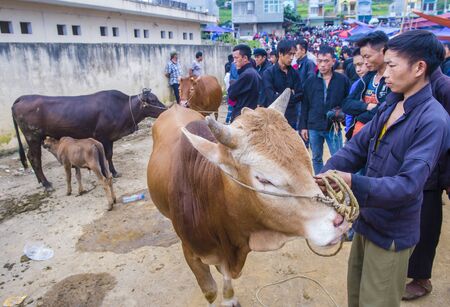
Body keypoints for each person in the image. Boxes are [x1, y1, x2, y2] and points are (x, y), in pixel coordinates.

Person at [316, 30, 450, 307]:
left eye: (391, 65)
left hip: (392, 232)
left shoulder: (433, 119)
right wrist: (325, 174)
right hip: (367, 221)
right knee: (356, 297)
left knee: (376, 302)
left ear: (418, 68)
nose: (383, 73)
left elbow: (408, 185)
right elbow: (357, 148)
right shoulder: (392, 103)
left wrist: (351, 182)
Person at [403, 59, 450, 300]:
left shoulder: (443, 88)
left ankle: (422, 278)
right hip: (424, 170)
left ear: (420, 65)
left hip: (434, 173)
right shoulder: (419, 88)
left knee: (427, 226)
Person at [299, 46, 350, 175]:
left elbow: (348, 100)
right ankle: (320, 180)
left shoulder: (342, 80)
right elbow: (305, 104)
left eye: (326, 61)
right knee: (316, 157)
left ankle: (337, 182)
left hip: (333, 125)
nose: (322, 65)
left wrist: (342, 113)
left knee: (338, 157)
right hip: (314, 125)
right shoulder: (310, 81)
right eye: (319, 61)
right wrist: (303, 126)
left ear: (333, 61)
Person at [343, 31, 390, 140]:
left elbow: (384, 112)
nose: (365, 62)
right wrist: (367, 106)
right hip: (359, 139)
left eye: (367, 56)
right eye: (363, 58)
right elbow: (346, 104)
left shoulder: (393, 79)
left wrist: (359, 116)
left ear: (383, 52)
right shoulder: (367, 78)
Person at [262, 39, 303, 129]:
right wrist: (290, 94)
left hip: (291, 118)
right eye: (289, 54)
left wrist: (280, 95)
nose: (292, 58)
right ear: (280, 53)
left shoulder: (294, 73)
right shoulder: (269, 73)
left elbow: (300, 94)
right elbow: (271, 97)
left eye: (293, 54)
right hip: (273, 118)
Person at [228, 44, 261, 122]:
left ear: (245, 58)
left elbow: (231, 94)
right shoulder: (254, 73)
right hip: (250, 116)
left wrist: (232, 84)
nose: (234, 61)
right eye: (233, 58)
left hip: (242, 118)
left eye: (236, 58)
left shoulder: (246, 75)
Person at [345, 48, 369, 135]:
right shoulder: (356, 85)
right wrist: (348, 131)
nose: (358, 70)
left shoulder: (385, 82)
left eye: (360, 64)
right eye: (355, 66)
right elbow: (348, 111)